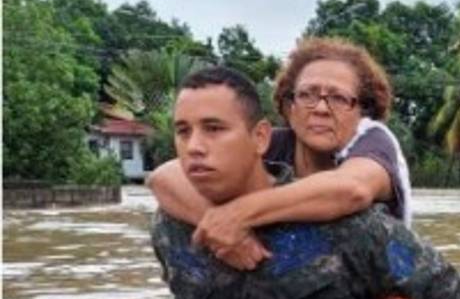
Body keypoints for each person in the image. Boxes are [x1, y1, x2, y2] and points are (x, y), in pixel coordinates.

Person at [152, 66, 460, 299]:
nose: (194, 146)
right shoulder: (171, 228)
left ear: (259, 139)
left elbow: (443, 289)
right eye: (182, 131)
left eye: (214, 129)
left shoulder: (351, 226)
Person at [148, 38, 411, 271]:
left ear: (363, 111)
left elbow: (352, 189)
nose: (320, 108)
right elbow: (164, 176)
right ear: (289, 106)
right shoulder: (271, 141)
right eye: (306, 95)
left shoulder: (374, 141)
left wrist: (237, 215)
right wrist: (219, 228)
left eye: (339, 98)